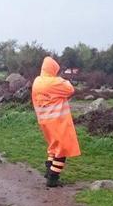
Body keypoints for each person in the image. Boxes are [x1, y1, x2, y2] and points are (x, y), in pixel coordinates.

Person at [31, 56, 81, 187]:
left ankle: (49, 170)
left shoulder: (37, 81)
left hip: (44, 121)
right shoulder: (54, 82)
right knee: (62, 149)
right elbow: (70, 89)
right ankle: (53, 177)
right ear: (53, 69)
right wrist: (59, 78)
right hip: (57, 121)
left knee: (53, 146)